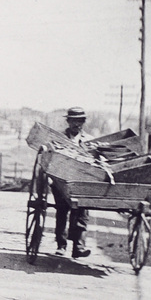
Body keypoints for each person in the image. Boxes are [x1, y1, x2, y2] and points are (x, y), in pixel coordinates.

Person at [54, 107, 93, 258]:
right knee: (62, 211)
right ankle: (61, 245)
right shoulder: (59, 138)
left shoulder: (89, 140)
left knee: (82, 213)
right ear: (68, 121)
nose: (77, 124)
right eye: (74, 121)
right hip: (62, 180)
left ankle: (79, 247)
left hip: (82, 181)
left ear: (83, 122)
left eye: (80, 121)